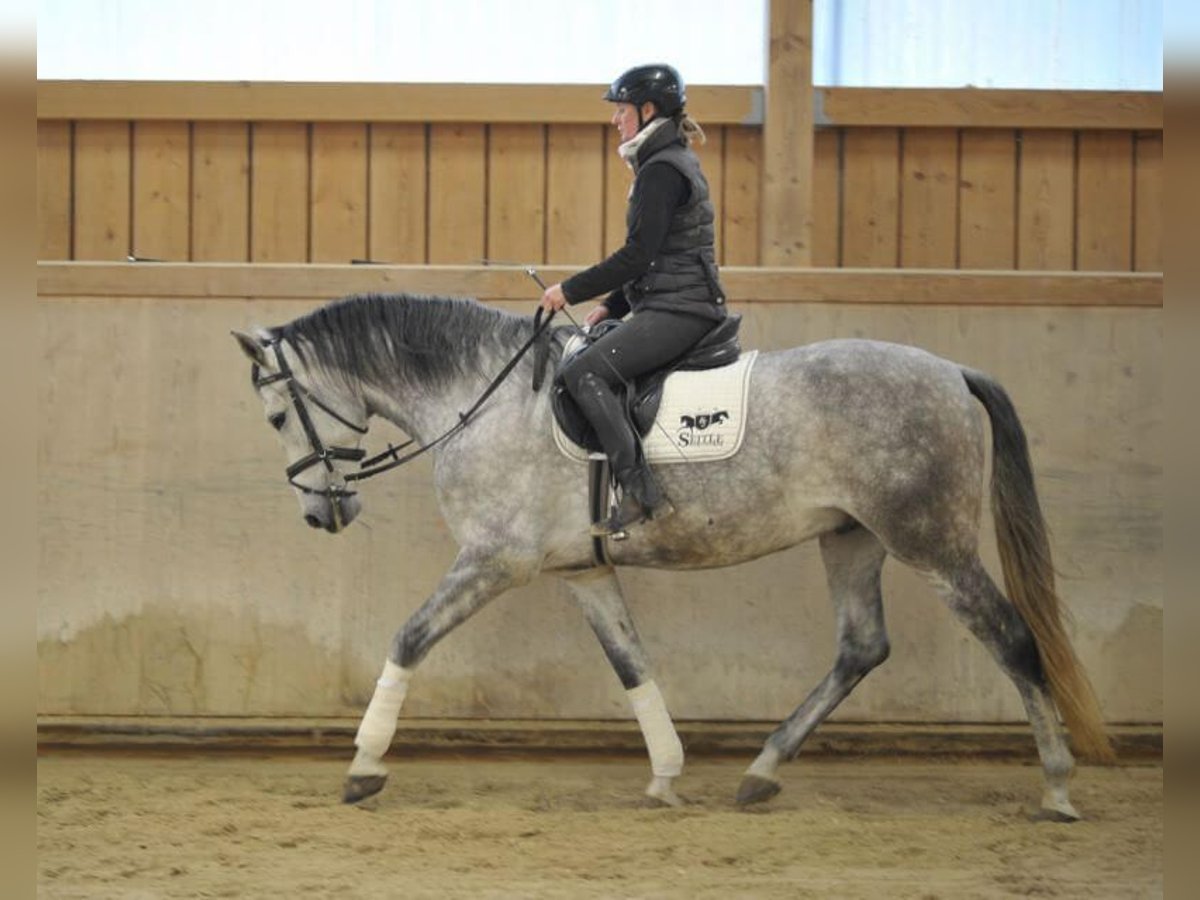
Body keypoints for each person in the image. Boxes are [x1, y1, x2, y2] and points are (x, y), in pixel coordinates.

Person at [541, 63, 728, 537]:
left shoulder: (661, 171)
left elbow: (637, 256)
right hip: (673, 300)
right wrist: (612, 306)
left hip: (679, 309)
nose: (615, 120)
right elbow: (659, 253)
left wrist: (569, 289)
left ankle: (642, 492)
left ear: (648, 110)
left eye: (621, 110)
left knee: (582, 372)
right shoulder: (665, 161)